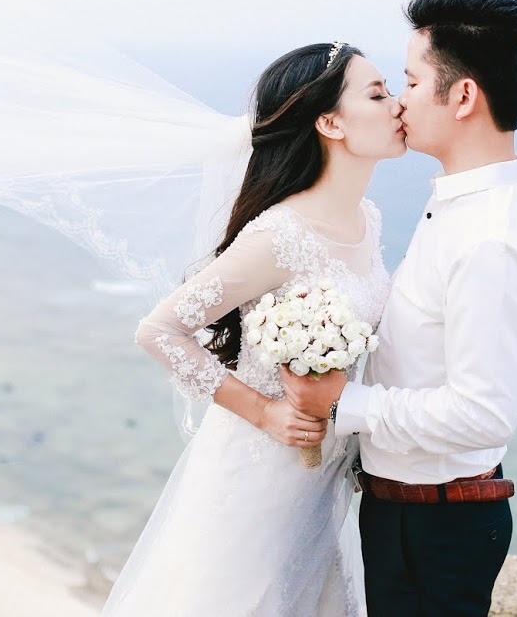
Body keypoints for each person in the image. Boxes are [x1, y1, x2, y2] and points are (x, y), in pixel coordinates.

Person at [101, 41, 406, 616]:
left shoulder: (368, 218)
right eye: (377, 94)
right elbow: (159, 331)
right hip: (257, 473)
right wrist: (264, 411)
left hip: (323, 474)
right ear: (330, 122)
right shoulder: (280, 235)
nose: (398, 104)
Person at [283, 0, 517, 617]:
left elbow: (485, 415)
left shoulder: (487, 240)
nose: (399, 100)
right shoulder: (459, 206)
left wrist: (342, 403)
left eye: (410, 81)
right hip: (407, 513)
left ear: (463, 96)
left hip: (436, 527)